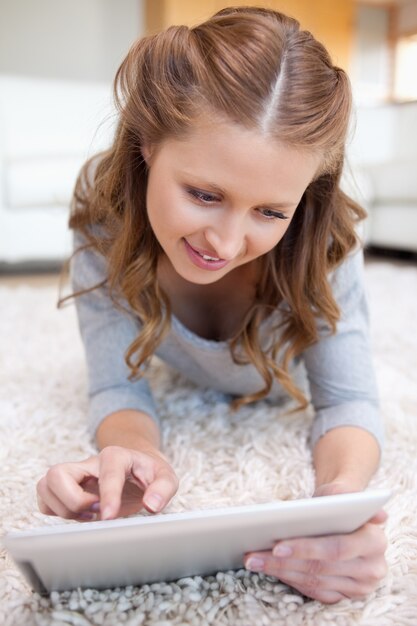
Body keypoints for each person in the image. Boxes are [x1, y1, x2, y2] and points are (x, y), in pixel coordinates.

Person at [36, 6, 388, 604]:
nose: (224, 244)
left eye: (270, 212)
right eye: (203, 194)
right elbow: (119, 387)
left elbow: (348, 399)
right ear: (147, 142)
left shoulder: (321, 239)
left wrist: (340, 499)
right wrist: (136, 455)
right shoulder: (105, 221)